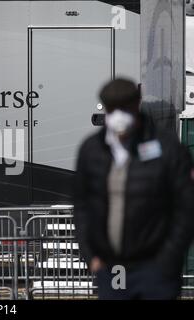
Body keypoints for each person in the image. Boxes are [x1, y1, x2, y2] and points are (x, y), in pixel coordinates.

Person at [73, 78, 194, 300]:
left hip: (155, 266)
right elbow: (82, 206)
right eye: (112, 107)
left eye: (124, 107)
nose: (118, 115)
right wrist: (92, 257)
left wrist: (168, 259)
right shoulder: (92, 151)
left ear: (136, 104)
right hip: (112, 266)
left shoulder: (167, 148)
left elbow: (185, 208)